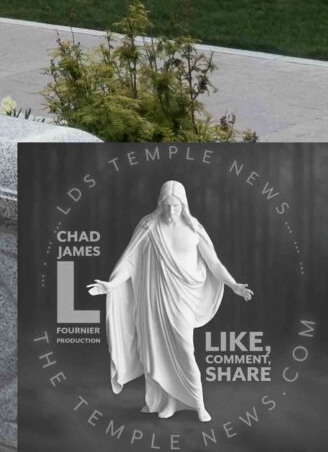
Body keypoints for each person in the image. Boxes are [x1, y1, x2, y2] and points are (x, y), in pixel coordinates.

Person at [90, 179, 254, 424]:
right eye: (166, 205)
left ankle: (198, 404)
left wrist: (234, 285)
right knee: (158, 350)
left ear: (183, 205)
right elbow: (130, 261)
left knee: (185, 350)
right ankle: (168, 402)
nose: (171, 211)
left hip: (183, 299)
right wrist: (111, 285)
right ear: (160, 203)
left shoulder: (194, 229)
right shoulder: (149, 227)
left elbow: (214, 263)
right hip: (155, 299)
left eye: (175, 206)